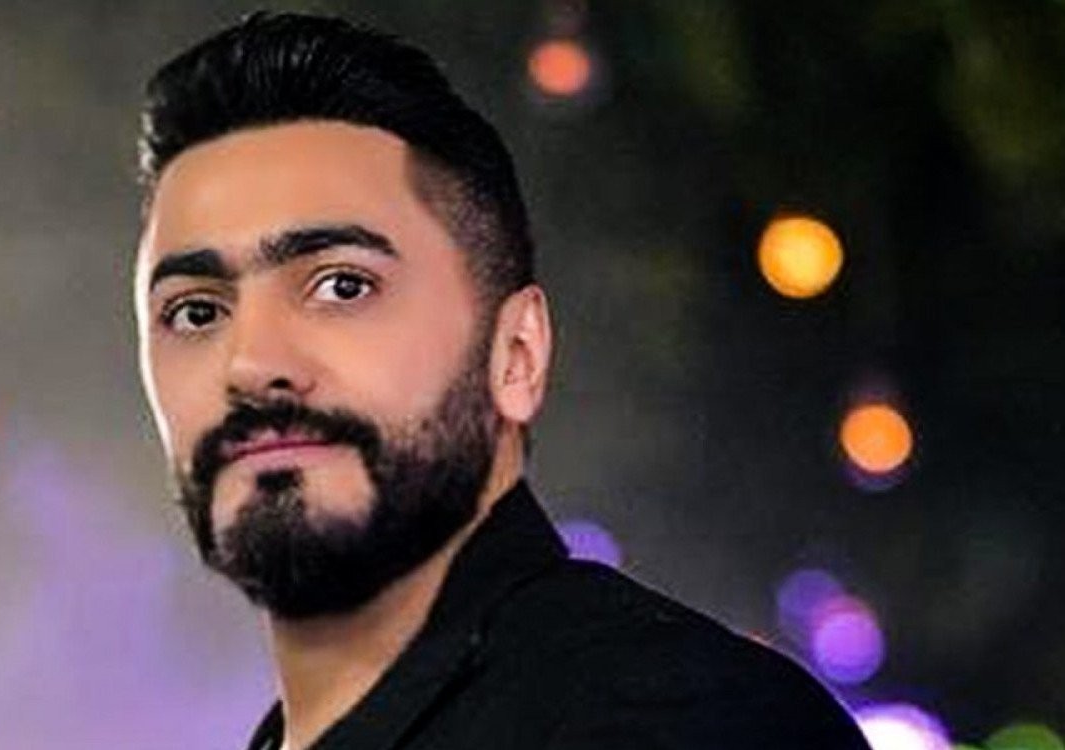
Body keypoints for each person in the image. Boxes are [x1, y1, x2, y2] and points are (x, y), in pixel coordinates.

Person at [131, 11, 871, 750]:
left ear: (517, 354)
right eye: (196, 312)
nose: (252, 363)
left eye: (342, 286)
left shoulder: (679, 719)